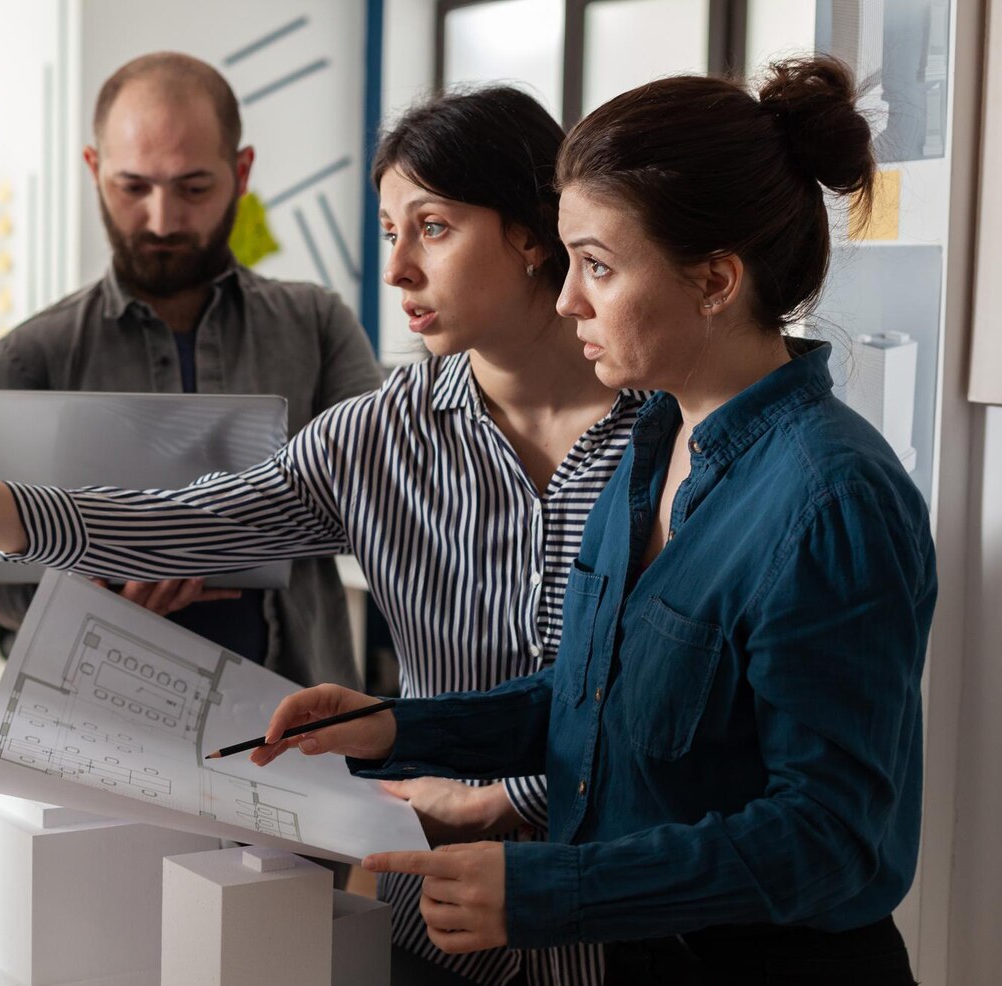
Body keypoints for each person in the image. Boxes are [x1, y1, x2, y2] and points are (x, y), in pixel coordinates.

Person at [0, 84, 639, 985]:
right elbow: (171, 525)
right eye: (389, 230)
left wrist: (505, 800)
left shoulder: (669, 433)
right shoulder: (382, 432)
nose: (395, 270)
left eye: (430, 227)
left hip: (634, 921)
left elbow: (700, 713)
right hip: (430, 917)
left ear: (533, 232)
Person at [249, 57, 935, 986]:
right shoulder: (649, 442)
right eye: (570, 260)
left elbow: (830, 840)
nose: (567, 297)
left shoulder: (833, 499)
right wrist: (392, 727)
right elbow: (589, 699)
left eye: (599, 266)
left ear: (716, 280)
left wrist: (545, 890)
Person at [0, 53, 382, 689]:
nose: (162, 221)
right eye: (133, 188)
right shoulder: (30, 357)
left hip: (304, 718)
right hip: (100, 721)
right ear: (94, 169)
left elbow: (379, 505)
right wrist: (90, 594)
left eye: (193, 188)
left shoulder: (318, 326)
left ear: (241, 172)